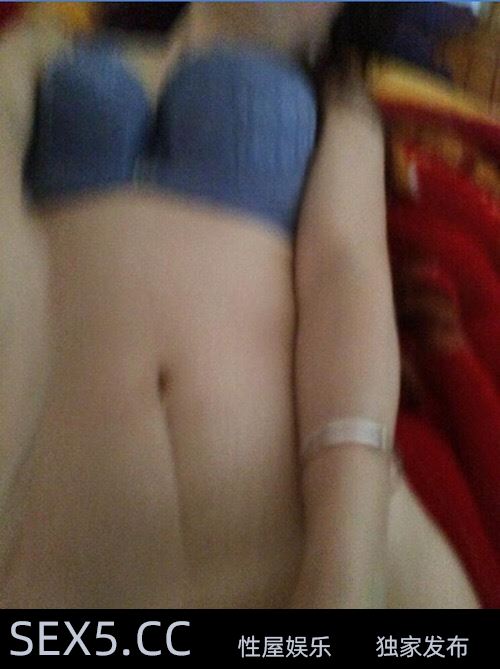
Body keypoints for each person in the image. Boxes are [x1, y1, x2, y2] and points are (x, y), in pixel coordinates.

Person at [0, 2, 479, 608]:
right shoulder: (49, 44)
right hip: (39, 531)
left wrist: (344, 566)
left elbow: (346, 270)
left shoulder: (339, 95)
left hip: (289, 517)